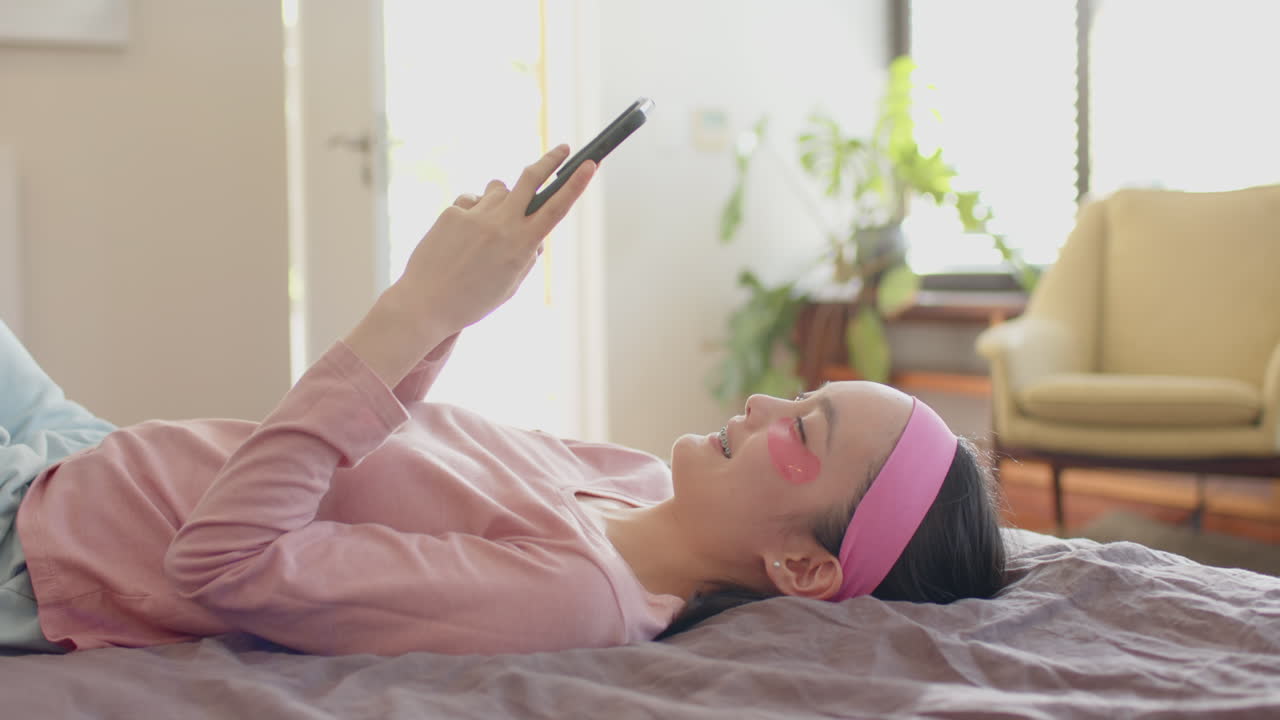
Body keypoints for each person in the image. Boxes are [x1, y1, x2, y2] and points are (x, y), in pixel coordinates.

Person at [0, 146, 1006, 657]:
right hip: (87, 452)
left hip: (39, 548)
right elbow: (376, 440)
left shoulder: (571, 596)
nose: (756, 403)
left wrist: (412, 307)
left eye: (802, 431)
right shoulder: (632, 480)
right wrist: (453, 306)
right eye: (797, 393)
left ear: (799, 563)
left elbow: (220, 562)